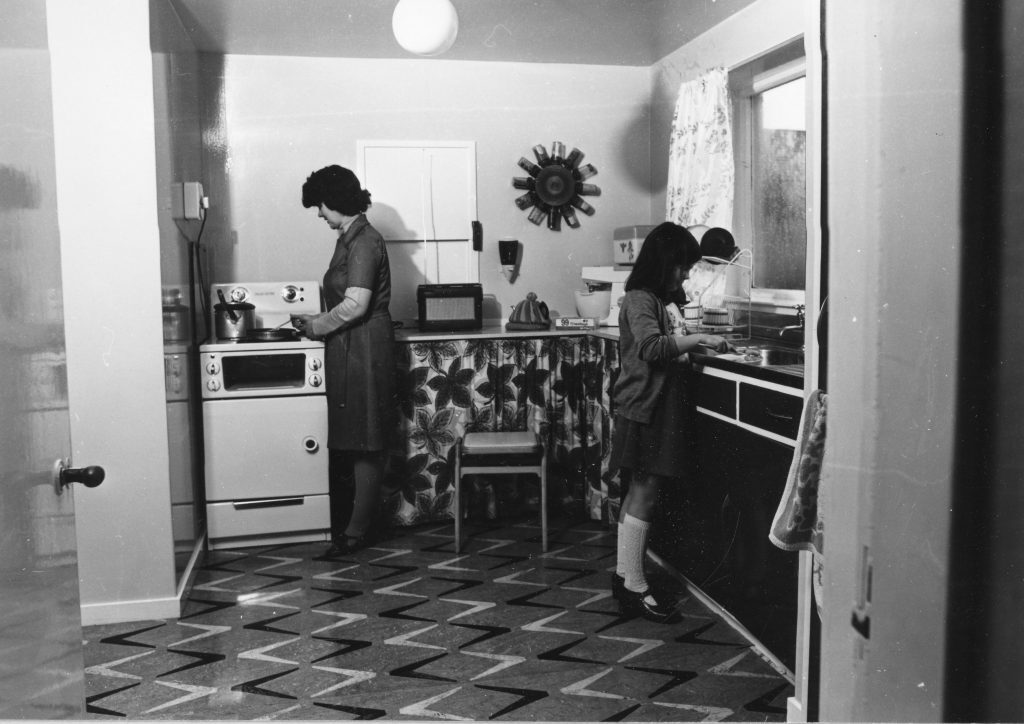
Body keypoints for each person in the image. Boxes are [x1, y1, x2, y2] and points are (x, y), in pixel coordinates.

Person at [609, 221, 730, 622]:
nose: (685, 275)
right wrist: (698, 341)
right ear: (664, 264)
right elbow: (651, 347)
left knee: (637, 492)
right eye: (681, 268)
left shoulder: (653, 299)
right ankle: (636, 586)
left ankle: (626, 577)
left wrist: (693, 342)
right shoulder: (640, 300)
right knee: (645, 493)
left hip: (646, 406)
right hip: (647, 408)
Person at [292, 165, 397, 557]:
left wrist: (317, 325)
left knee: (366, 439)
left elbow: (356, 304)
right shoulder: (348, 237)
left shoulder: (365, 241)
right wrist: (317, 323)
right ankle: (353, 527)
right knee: (355, 435)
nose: (319, 214)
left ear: (335, 202)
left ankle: (357, 532)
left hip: (366, 345)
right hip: (351, 344)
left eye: (320, 206)